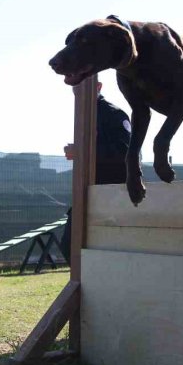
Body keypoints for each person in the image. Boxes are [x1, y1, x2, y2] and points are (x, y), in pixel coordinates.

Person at [60, 81, 131, 262]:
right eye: (75, 88)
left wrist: (82, 150)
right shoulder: (84, 114)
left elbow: (125, 153)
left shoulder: (114, 114)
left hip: (110, 194)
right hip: (87, 192)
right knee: (70, 245)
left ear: (98, 86)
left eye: (82, 87)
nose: (77, 92)